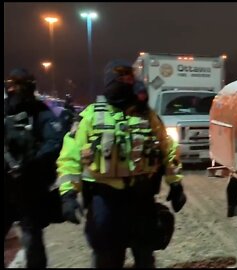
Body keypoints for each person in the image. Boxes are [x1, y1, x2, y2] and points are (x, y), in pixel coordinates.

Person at [55, 59, 186, 268]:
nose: (128, 83)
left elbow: (167, 149)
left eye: (130, 78)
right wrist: (68, 193)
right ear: (110, 82)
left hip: (141, 197)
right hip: (105, 200)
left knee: (145, 256)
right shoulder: (91, 115)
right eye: (122, 79)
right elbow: (70, 156)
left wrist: (176, 183)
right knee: (107, 257)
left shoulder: (147, 115)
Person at [4, 68, 65, 268]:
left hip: (29, 188)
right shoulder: (6, 109)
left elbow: (54, 142)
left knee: (32, 240)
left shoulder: (41, 112)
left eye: (16, 85)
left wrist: (32, 161)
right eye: (9, 85)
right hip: (6, 186)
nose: (12, 89)